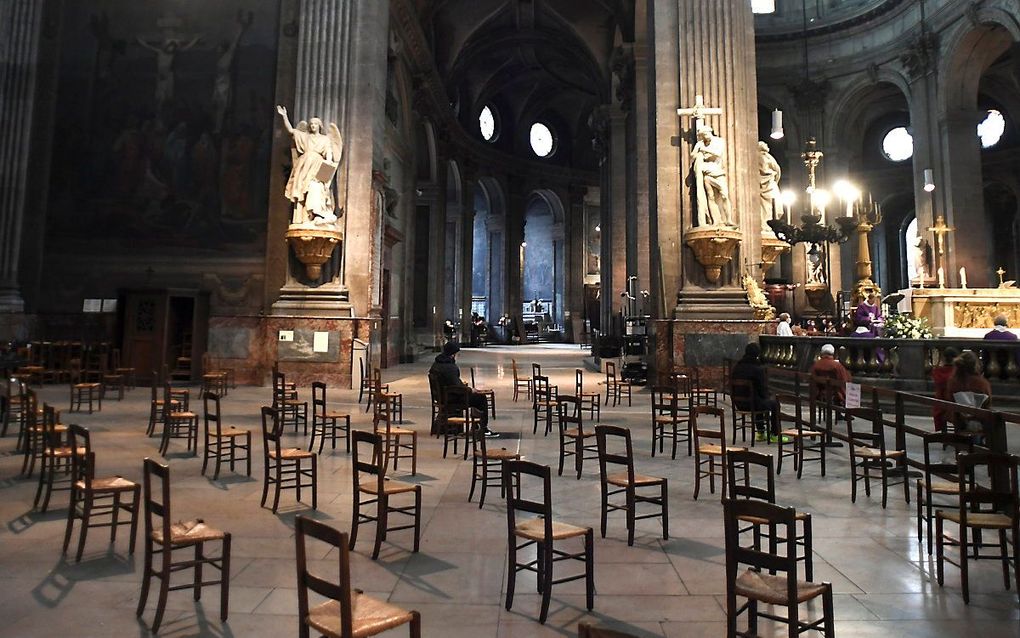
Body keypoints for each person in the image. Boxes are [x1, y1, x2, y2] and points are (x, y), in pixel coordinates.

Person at [429, 342, 497, 436]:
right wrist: (469, 390)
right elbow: (457, 387)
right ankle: (482, 428)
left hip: (441, 396)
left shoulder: (437, 364)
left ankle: (476, 426)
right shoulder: (450, 367)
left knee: (475, 396)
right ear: (453, 354)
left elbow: (451, 382)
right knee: (481, 399)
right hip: (451, 398)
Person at [730, 343, 779, 441]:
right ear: (757, 354)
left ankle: (761, 433)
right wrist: (768, 397)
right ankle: (774, 434)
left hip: (739, 404)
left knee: (758, 399)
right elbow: (762, 389)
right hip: (752, 404)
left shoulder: (737, 367)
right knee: (774, 404)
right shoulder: (757, 369)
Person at [691, 126, 733, 227]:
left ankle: (728, 219)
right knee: (711, 197)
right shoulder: (700, 144)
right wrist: (699, 153)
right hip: (706, 173)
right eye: (703, 135)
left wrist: (705, 150)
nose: (705, 137)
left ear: (710, 132)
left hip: (718, 172)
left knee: (724, 195)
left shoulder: (719, 141)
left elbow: (718, 153)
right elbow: (692, 155)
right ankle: (715, 221)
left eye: (706, 134)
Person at [946, 350, 992, 437]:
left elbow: (950, 399)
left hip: (959, 419)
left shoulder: (953, 382)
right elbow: (988, 401)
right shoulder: (982, 383)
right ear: (975, 365)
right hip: (980, 418)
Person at [931, 347, 959, 432]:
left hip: (940, 404)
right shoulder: (958, 373)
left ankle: (943, 433)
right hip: (956, 403)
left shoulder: (937, 371)